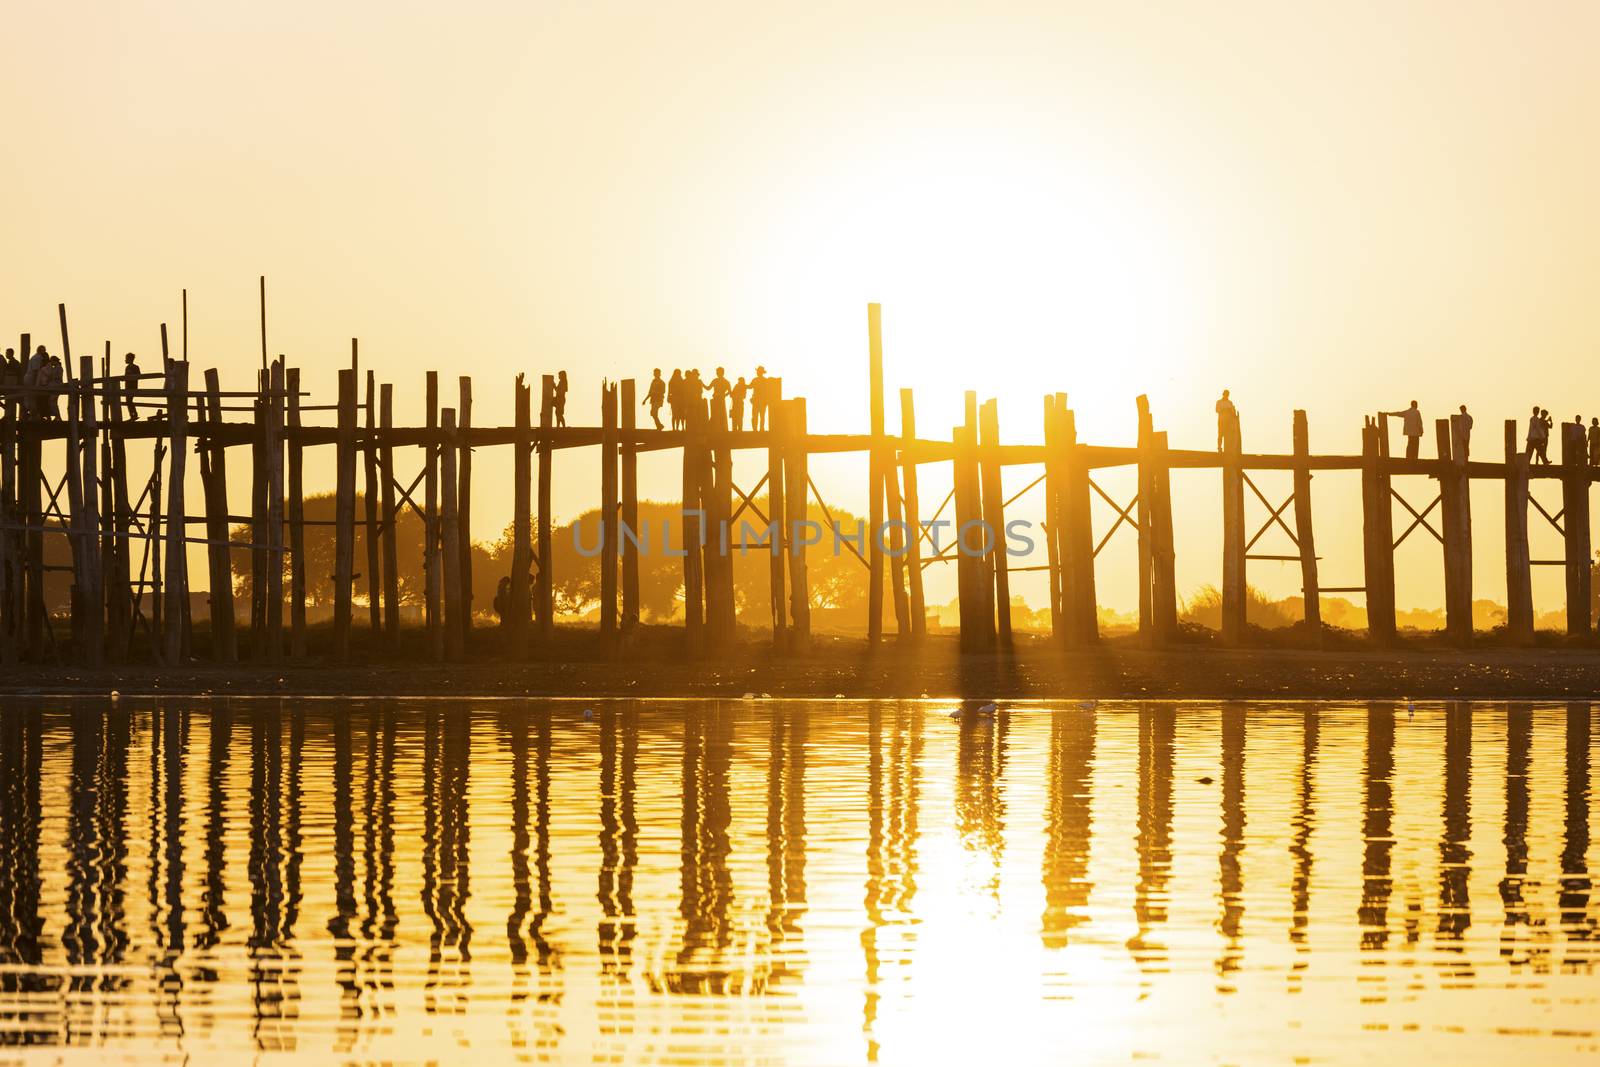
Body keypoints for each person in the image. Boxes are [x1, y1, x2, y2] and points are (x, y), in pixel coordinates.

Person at [750, 366, 770, 431]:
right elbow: (750, 386)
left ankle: (759, 428)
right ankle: (757, 428)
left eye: (758, 371)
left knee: (760, 415)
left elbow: (750, 386)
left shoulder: (764, 380)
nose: (757, 372)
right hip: (758, 400)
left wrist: (743, 385)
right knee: (758, 415)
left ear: (760, 372)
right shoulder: (757, 380)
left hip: (761, 400)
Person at [123, 352, 141, 421]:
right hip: (127, 387)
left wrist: (131, 376)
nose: (125, 360)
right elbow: (125, 377)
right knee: (128, 401)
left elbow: (139, 375)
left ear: (130, 359)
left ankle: (134, 415)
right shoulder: (127, 367)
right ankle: (133, 415)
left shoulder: (135, 367)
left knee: (129, 401)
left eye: (126, 358)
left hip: (132, 387)